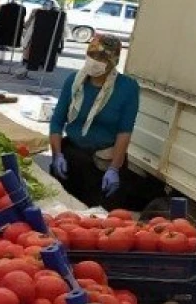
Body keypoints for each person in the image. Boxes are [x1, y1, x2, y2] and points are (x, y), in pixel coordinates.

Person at [49, 34, 140, 210]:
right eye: (91, 55)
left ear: (113, 61)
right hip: (72, 157)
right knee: (64, 211)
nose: (94, 61)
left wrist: (114, 169)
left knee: (96, 219)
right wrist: (57, 154)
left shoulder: (127, 87)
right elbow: (57, 121)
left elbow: (125, 131)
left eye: (101, 57)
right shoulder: (74, 82)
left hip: (104, 161)